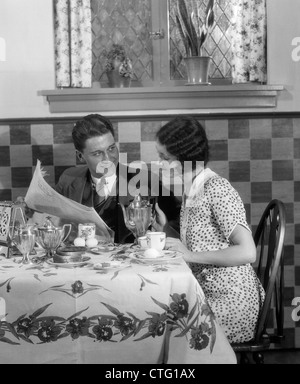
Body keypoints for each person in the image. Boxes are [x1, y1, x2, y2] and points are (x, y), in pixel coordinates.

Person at [152, 115, 265, 344]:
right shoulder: (192, 189)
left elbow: (247, 252)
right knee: (153, 320)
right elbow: (197, 244)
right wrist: (165, 229)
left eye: (165, 158)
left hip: (231, 300)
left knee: (159, 330)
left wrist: (191, 256)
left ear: (185, 157)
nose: (160, 164)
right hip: (207, 293)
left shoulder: (216, 188)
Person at [21, 114, 181, 244]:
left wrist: (164, 228)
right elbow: (47, 213)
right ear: (80, 156)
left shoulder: (145, 181)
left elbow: (177, 225)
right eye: (97, 153)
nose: (108, 158)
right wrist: (31, 208)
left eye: (111, 148)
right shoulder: (69, 179)